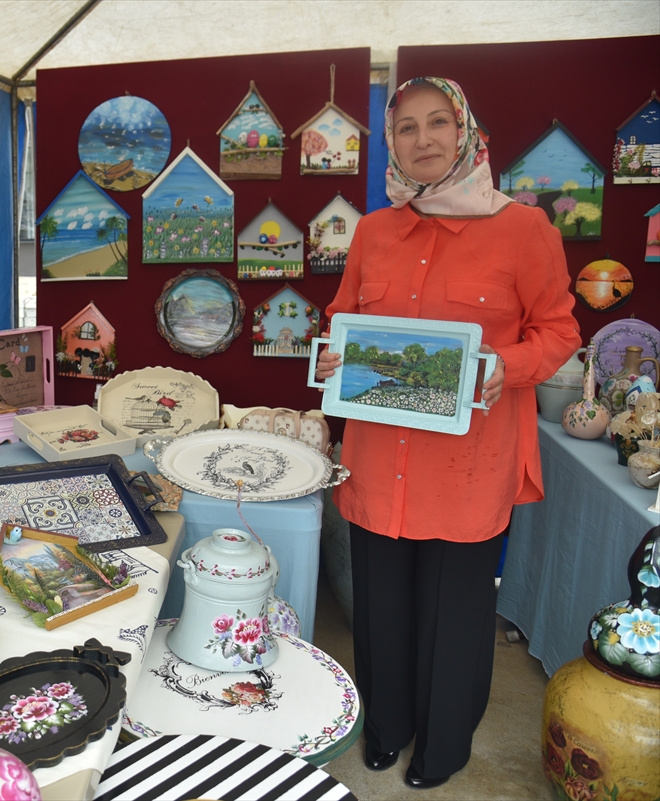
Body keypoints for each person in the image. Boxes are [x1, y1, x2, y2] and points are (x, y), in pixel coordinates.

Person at [314, 76, 580, 789]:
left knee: (453, 616)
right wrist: (335, 352)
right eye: (406, 127)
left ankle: (444, 744)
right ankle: (386, 726)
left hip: (469, 465)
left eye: (438, 122)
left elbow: (558, 331)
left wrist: (506, 366)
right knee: (380, 607)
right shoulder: (374, 230)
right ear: (392, 142)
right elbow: (342, 318)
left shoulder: (524, 229)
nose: (423, 139)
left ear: (466, 132)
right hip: (379, 459)